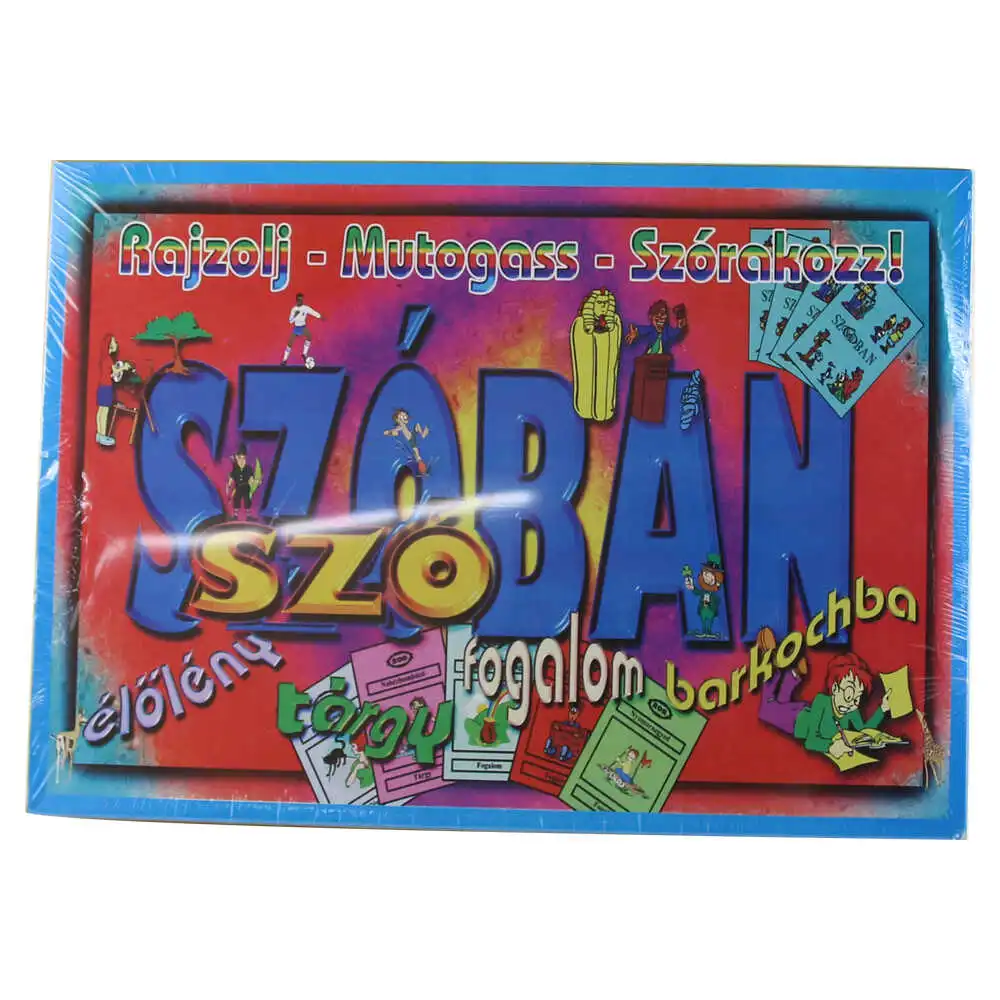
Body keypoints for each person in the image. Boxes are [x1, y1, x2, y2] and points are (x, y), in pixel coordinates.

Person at [758, 646, 890, 759]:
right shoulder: (822, 701)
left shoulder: (852, 711)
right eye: (849, 694)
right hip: (795, 721)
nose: (851, 703)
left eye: (857, 699)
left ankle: (793, 675)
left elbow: (864, 731)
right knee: (766, 711)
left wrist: (882, 709)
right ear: (835, 687)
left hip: (805, 711)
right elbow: (811, 741)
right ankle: (771, 664)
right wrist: (830, 747)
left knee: (781, 702)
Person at [282, 293, 322, 366]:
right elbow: (290, 321)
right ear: (296, 300)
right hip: (296, 328)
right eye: (299, 299)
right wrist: (295, 315)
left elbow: (312, 312)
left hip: (303, 327)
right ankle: (284, 360)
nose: (300, 301)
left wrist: (319, 316)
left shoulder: (305, 308)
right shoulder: (294, 309)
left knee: (309, 337)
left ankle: (304, 354)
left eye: (301, 299)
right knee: (289, 343)